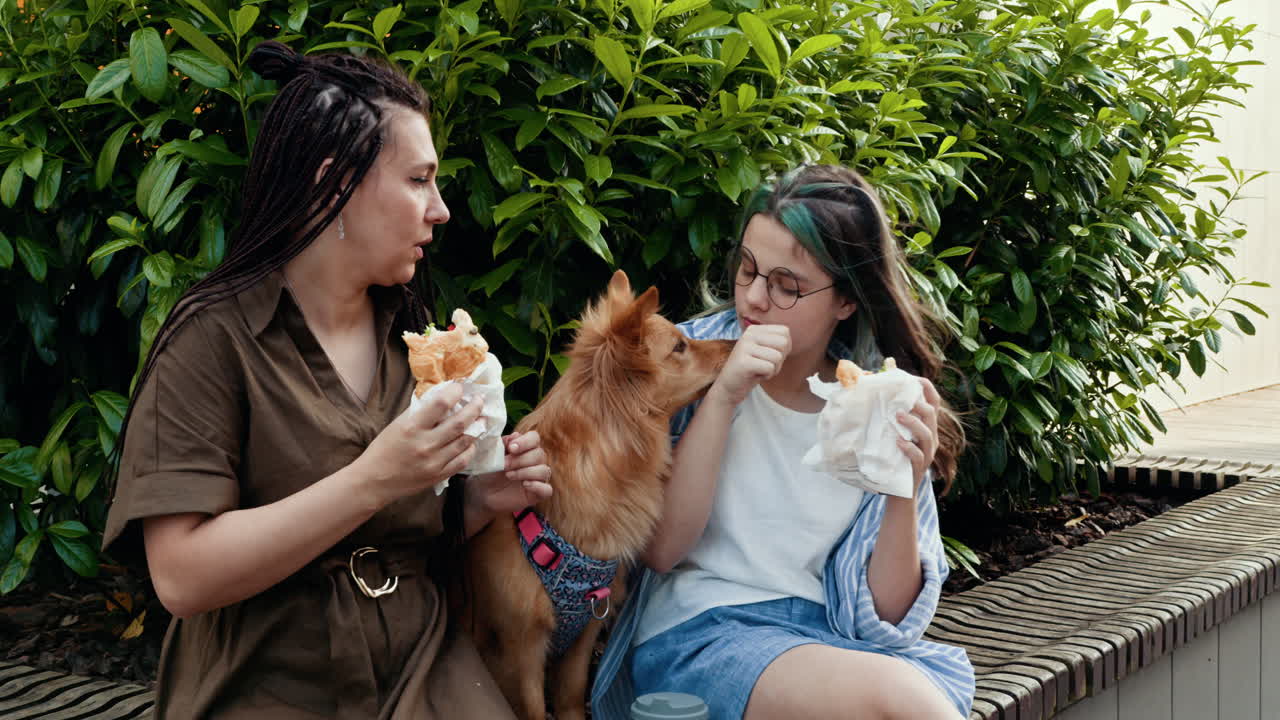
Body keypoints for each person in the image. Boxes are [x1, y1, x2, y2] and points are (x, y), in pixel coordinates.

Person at [102, 41, 552, 719]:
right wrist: (374, 477)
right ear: (333, 182)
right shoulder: (213, 342)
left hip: (417, 663)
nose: (441, 210)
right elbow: (180, 577)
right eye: (418, 179)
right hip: (266, 681)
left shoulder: (417, 339)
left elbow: (405, 523)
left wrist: (482, 498)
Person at [591, 165, 975, 720]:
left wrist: (902, 485)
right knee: (902, 703)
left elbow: (886, 617)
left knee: (909, 698)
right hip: (701, 631)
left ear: (845, 301)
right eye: (746, 269)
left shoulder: (871, 399)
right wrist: (723, 398)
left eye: (786, 286)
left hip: (831, 640)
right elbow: (662, 550)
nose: (753, 298)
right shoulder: (688, 359)